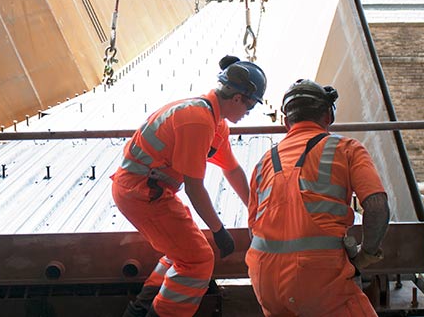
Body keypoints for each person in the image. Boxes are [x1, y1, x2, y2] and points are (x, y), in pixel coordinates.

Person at [112, 55, 266, 317]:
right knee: (198, 260)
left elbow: (232, 169)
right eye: (249, 107)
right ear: (238, 98)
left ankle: (139, 311)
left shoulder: (214, 124)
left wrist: (257, 210)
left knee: (180, 252)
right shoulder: (197, 120)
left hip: (148, 192)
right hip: (141, 193)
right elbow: (195, 188)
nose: (247, 114)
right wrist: (219, 231)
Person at [245, 79, 391, 317]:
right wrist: (366, 255)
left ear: (286, 122)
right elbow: (376, 206)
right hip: (318, 276)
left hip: (264, 277)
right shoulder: (347, 148)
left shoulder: (263, 162)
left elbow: (253, 228)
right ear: (328, 117)